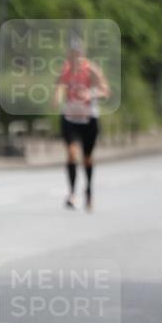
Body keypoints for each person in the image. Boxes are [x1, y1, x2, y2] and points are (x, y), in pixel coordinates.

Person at [55, 35, 110, 211]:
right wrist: (57, 99)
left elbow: (105, 91)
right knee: (71, 153)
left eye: (77, 53)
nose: (75, 57)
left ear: (82, 54)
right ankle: (72, 193)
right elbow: (59, 87)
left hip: (88, 117)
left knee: (87, 157)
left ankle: (89, 191)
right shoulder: (66, 70)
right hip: (70, 116)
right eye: (72, 53)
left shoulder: (91, 70)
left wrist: (91, 94)